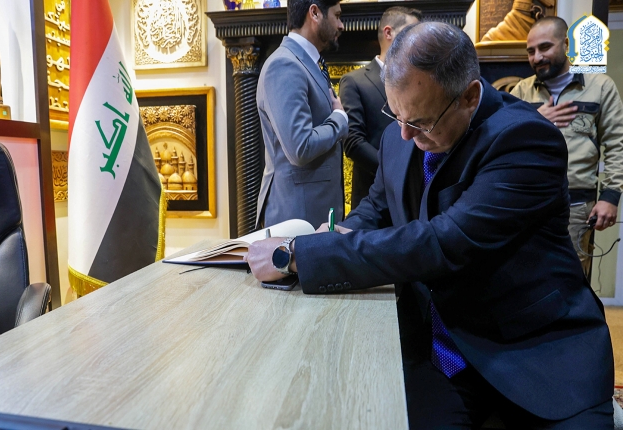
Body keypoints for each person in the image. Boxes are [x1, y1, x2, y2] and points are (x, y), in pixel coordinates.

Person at [246, 22, 614, 428]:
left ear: (469, 96)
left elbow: (444, 242)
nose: (404, 133)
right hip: (438, 351)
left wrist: (296, 254)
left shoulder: (526, 139)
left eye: (420, 121)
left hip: (536, 357)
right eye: (395, 113)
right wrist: (340, 233)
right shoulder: (401, 132)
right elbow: (377, 207)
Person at [511, 16, 623, 277]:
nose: (537, 57)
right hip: (526, 202)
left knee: (569, 278)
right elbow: (501, 140)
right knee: (526, 278)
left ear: (566, 44)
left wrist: (610, 197)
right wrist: (535, 119)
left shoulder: (600, 87)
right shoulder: (520, 91)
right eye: (531, 51)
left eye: (545, 47)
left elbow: (617, 144)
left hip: (576, 205)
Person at [255, 0, 348, 230]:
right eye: (337, 16)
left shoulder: (309, 62)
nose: (341, 25)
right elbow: (300, 147)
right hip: (296, 218)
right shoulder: (284, 64)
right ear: (314, 13)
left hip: (313, 213)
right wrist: (339, 119)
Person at [339, 7, 421, 207]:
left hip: (417, 193)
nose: (417, 40)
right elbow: (353, 142)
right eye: (411, 32)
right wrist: (394, 170)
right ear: (388, 32)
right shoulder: (354, 81)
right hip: (373, 196)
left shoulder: (420, 80)